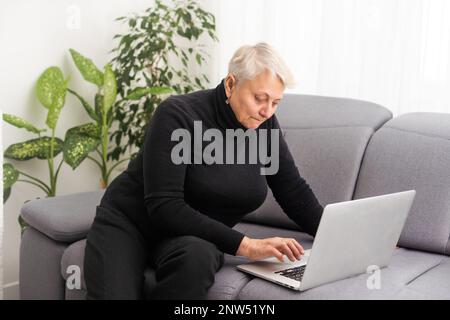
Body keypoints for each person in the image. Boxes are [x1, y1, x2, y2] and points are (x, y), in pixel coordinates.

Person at [84, 42, 324, 300]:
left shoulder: (263, 126)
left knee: (199, 257)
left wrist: (332, 234)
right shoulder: (178, 115)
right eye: (259, 98)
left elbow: (292, 190)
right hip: (131, 224)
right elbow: (165, 206)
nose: (267, 111)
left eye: (276, 102)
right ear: (231, 84)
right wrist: (246, 245)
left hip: (189, 236)